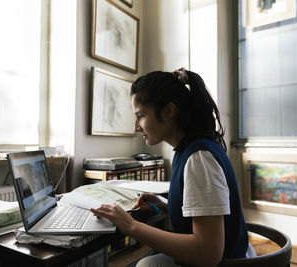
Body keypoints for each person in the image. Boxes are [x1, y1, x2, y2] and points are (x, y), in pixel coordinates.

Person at [91, 68, 252, 266]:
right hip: (229, 254)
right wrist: (166, 207)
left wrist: (130, 225)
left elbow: (208, 252)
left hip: (225, 262)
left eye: (141, 115)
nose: (136, 126)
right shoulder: (188, 149)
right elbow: (204, 214)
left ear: (168, 111)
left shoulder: (199, 159)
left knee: (143, 264)